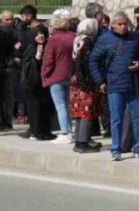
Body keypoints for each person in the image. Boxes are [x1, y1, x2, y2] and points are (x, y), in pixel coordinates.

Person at [90, 11, 139, 160]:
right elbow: (93, 61)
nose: (123, 27)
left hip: (134, 84)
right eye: (120, 24)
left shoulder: (135, 38)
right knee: (116, 119)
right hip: (115, 85)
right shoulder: (104, 39)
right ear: (113, 25)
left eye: (125, 24)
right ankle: (116, 149)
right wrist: (100, 81)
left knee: (138, 118)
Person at [70, 19, 102, 153]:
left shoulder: (77, 39)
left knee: (79, 113)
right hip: (85, 83)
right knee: (86, 113)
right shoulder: (88, 42)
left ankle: (78, 140)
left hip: (76, 83)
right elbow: (86, 64)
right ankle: (83, 143)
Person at [41, 16, 75, 145]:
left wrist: (44, 75)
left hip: (56, 76)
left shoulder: (53, 40)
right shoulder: (72, 37)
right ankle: (69, 131)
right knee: (66, 105)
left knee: (60, 105)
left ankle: (64, 132)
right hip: (69, 74)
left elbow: (48, 61)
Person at [20, 25, 55, 141]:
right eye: (37, 33)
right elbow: (29, 65)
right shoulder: (31, 48)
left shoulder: (48, 46)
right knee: (34, 108)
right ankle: (36, 132)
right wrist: (37, 56)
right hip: (33, 84)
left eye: (42, 33)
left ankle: (45, 131)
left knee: (45, 107)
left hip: (45, 83)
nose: (40, 36)